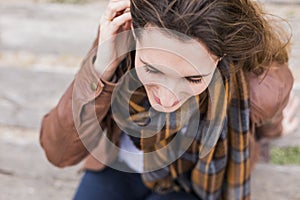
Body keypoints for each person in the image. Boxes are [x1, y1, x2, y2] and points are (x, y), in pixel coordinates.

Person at [39, 0, 298, 199]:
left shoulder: (260, 86)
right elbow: (58, 153)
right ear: (134, 35)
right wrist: (100, 69)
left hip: (193, 181)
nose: (166, 98)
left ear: (223, 55)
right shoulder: (119, 40)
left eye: (193, 78)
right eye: (152, 69)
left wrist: (275, 129)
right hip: (118, 162)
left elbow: (262, 128)